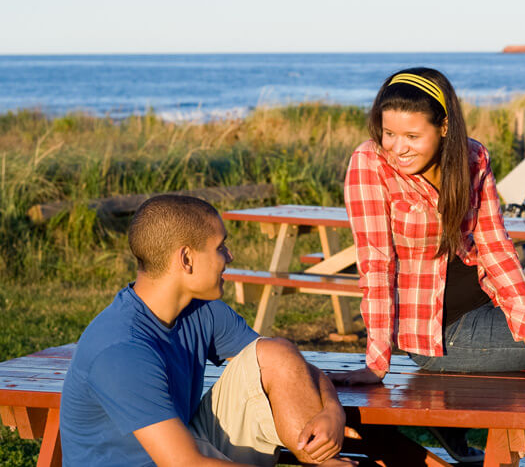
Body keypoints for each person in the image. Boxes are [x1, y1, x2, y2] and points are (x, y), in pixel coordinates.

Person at [332, 67, 525, 381]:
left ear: (444, 127)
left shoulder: (473, 158)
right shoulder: (370, 162)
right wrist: (377, 364)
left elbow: (495, 247)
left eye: (412, 136)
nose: (397, 147)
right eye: (389, 133)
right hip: (443, 335)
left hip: (491, 307)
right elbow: (376, 263)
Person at [60, 195, 355, 467]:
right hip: (173, 461)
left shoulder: (201, 309)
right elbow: (184, 463)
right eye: (220, 247)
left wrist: (332, 410)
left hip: (183, 446)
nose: (229, 256)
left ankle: (324, 462)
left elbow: (290, 368)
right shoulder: (122, 349)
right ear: (186, 259)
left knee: (276, 352)